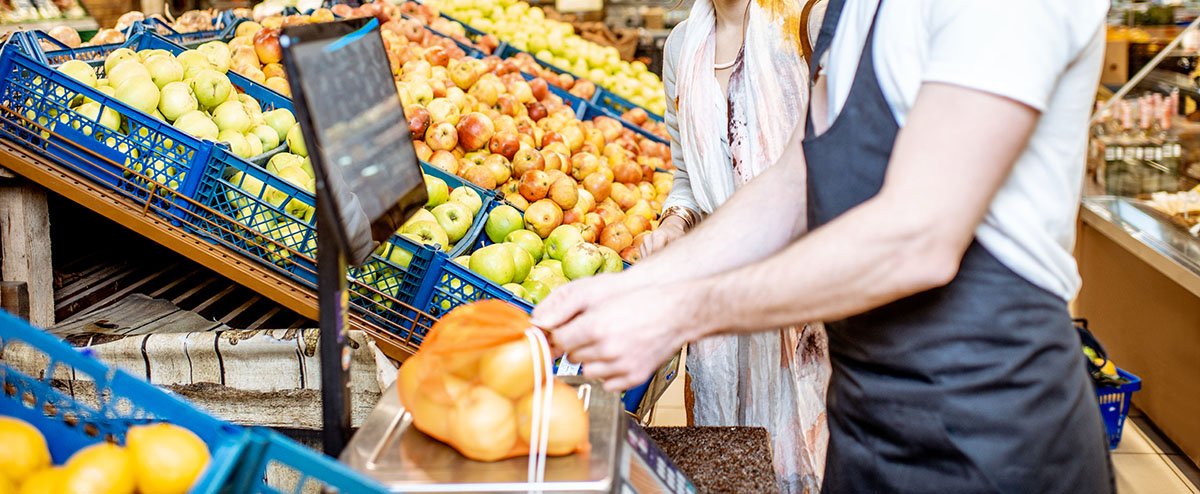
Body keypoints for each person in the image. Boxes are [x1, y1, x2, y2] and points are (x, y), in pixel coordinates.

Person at [532, 0, 1115, 492]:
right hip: (865, 416)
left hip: (988, 429)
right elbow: (794, 185)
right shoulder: (852, 9)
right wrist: (631, 286)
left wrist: (679, 311)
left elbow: (919, 236)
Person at [644, 0, 829, 492]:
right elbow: (687, 176)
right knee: (732, 467)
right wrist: (674, 224)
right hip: (721, 323)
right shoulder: (682, 46)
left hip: (812, 307)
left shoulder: (805, 22)